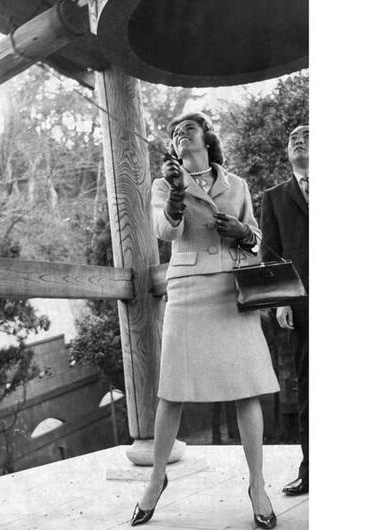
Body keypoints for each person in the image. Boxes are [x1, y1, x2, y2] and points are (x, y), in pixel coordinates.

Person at [130, 112, 280, 529]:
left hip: (232, 291)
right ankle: (156, 480)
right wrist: (178, 195)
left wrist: (241, 231)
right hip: (188, 290)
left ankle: (258, 484)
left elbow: (258, 242)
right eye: (175, 133)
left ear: (206, 139)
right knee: (172, 392)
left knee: (247, 390)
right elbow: (166, 232)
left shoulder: (239, 186)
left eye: (189, 128)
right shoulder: (163, 185)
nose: (180, 133)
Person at [260, 124, 309, 496]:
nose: (299, 140)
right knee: (311, 390)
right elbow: (270, 254)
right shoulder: (274, 198)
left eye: (309, 134)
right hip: (303, 305)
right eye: (293, 137)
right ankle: (313, 472)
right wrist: (279, 300)